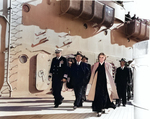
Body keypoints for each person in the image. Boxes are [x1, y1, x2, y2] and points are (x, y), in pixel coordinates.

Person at [86, 53, 118, 117]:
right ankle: (99, 110)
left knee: (105, 96)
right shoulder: (96, 65)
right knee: (98, 96)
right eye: (100, 57)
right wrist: (91, 82)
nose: (101, 59)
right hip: (97, 84)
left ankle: (103, 107)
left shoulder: (108, 65)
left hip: (105, 84)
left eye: (102, 57)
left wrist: (111, 84)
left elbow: (110, 75)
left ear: (105, 58)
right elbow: (93, 74)